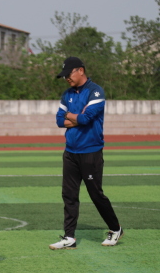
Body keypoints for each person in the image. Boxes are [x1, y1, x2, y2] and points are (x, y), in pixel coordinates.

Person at [49, 57, 123, 250]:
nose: (66, 78)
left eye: (69, 74)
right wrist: (74, 116)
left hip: (91, 152)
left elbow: (87, 118)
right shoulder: (67, 94)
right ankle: (69, 237)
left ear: (80, 70)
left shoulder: (95, 91)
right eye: (64, 75)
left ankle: (116, 229)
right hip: (70, 152)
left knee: (96, 194)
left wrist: (73, 116)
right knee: (69, 195)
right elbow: (59, 121)